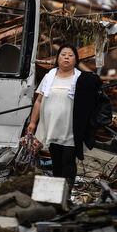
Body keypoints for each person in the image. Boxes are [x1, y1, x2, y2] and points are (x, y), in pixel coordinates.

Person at [27, 44, 103, 183]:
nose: (66, 57)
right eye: (63, 54)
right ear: (58, 58)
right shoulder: (49, 76)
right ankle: (57, 195)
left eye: (70, 55)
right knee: (56, 162)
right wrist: (33, 122)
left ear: (76, 59)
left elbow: (92, 103)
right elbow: (39, 101)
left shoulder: (82, 79)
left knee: (68, 161)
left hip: (71, 130)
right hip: (53, 127)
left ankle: (66, 194)